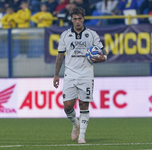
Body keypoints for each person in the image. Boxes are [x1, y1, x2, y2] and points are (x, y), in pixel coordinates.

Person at [53, 7, 107, 143]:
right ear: (71, 19)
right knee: (67, 106)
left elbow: (103, 51)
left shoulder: (92, 34)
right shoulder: (65, 35)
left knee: (84, 104)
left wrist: (103, 57)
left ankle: (82, 136)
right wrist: (56, 75)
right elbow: (60, 56)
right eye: (75, 19)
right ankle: (75, 124)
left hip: (86, 74)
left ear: (83, 19)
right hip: (70, 74)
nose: (77, 21)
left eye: (80, 19)